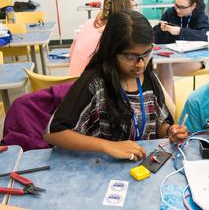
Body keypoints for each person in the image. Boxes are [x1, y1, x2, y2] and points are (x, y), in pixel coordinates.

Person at [44, 11, 188, 161]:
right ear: (112, 52)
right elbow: (53, 133)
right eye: (131, 57)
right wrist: (107, 146)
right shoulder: (95, 82)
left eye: (146, 54)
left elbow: (158, 123)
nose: (141, 64)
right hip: (101, 169)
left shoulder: (148, 77)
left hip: (142, 165)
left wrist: (170, 131)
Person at [153, 0, 209, 101]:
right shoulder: (170, 13)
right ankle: (170, 109)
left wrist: (181, 31)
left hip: (194, 60)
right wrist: (162, 30)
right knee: (163, 69)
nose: (177, 10)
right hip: (171, 58)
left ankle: (169, 111)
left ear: (193, 6)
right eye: (176, 5)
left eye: (182, 7)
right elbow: (156, 39)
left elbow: (207, 34)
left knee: (160, 73)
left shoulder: (199, 14)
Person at [69, 0, 135, 76]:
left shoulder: (88, 23)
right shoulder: (114, 33)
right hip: (91, 85)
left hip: (75, 82)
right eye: (132, 0)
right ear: (125, 5)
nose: (134, 4)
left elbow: (71, 54)